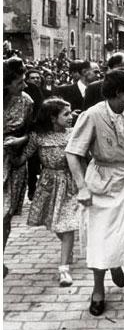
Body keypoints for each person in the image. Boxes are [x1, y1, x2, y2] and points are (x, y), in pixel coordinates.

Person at [66, 68, 124, 316]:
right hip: (101, 183)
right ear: (118, 92)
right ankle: (98, 290)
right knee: (99, 239)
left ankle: (116, 263)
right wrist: (81, 187)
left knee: (122, 232)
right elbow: (73, 153)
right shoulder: (92, 115)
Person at [21, 98, 78, 286]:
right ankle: (68, 248)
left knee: (67, 225)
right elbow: (23, 156)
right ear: (53, 117)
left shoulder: (74, 133)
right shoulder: (39, 136)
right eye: (66, 114)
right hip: (48, 184)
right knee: (55, 223)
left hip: (70, 183)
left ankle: (64, 270)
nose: (71, 117)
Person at [3, 57, 34, 278]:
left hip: (13, 163)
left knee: (5, 215)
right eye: (19, 82)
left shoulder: (27, 102)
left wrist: (20, 141)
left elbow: (32, 132)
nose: (24, 86)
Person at [53, 60, 95, 124]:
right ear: (84, 72)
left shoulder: (100, 92)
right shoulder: (63, 91)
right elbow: (54, 114)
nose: (99, 75)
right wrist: (68, 115)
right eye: (95, 72)